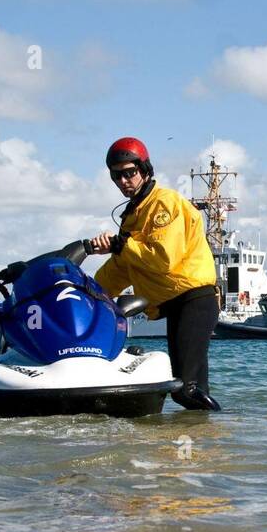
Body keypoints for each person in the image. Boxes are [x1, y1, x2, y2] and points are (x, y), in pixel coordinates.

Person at [89, 138, 221, 411]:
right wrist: (89, 292)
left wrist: (119, 244)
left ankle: (231, 425)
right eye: (117, 175)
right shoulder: (134, 214)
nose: (124, 180)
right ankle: (206, 442)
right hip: (175, 304)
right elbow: (124, 267)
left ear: (145, 169)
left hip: (194, 299)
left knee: (185, 390)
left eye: (129, 172)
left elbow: (163, 259)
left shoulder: (163, 204)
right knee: (191, 388)